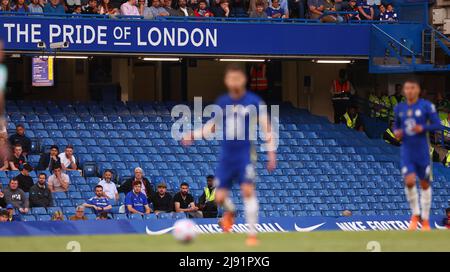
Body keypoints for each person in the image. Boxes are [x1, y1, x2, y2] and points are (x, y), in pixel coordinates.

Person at [182, 64, 277, 246]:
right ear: (226, 81)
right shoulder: (223, 102)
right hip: (226, 157)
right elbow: (212, 126)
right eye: (230, 78)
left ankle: (252, 235)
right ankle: (230, 212)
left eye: (237, 78)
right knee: (218, 198)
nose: (234, 81)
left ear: (243, 80)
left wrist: (271, 152)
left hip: (245, 155)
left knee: (248, 191)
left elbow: (266, 126)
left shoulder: (254, 101)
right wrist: (193, 134)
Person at [393, 78, 441, 231]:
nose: (409, 91)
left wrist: (423, 127)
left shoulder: (427, 106)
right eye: (407, 88)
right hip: (407, 150)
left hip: (422, 151)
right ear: (404, 91)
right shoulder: (399, 108)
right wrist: (397, 133)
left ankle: (425, 220)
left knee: (425, 184)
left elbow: (437, 124)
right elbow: (396, 126)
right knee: (409, 181)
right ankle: (415, 215)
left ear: (418, 90)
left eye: (412, 88)